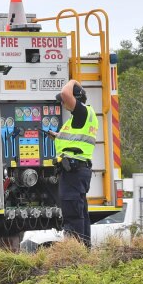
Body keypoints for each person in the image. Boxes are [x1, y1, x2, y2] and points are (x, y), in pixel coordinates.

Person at [51, 80, 98, 246]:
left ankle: (74, 253)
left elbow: (65, 92)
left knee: (72, 214)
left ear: (76, 98)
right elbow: (76, 140)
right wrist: (57, 136)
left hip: (73, 171)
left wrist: (72, 81)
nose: (63, 103)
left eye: (64, 101)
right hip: (78, 170)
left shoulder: (81, 112)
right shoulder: (81, 117)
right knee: (81, 213)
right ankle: (84, 251)